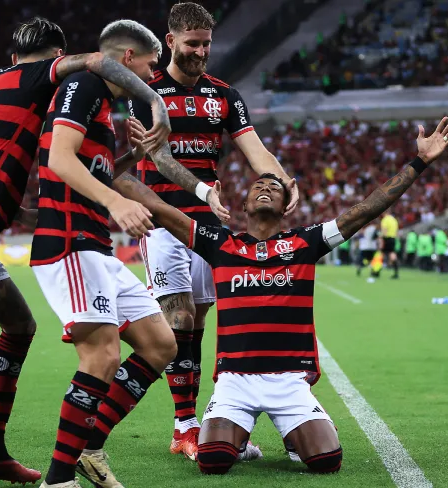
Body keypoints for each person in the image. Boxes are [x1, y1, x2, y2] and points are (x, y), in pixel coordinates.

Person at [0, 17, 172, 488]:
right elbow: (97, 62)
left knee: (19, 325)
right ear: (54, 58)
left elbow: (0, 154)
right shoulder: (37, 75)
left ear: (12, 55)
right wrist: (157, 103)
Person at [130, 117, 448, 475]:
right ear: (244, 206)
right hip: (235, 381)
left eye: (274, 186)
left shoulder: (305, 242)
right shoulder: (221, 244)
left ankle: (292, 430)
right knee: (212, 462)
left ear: (287, 203)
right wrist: (105, 167)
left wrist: (420, 162)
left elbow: (366, 209)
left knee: (327, 462)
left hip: (288, 381)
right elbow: (159, 209)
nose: (265, 188)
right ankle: (243, 434)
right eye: (258, 185)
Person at [28, 20, 227, 488]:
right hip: (69, 241)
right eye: (151, 64)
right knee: (101, 356)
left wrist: (131, 160)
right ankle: (59, 478)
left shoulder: (103, 109)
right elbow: (59, 158)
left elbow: (94, 169)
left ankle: (89, 448)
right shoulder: (84, 85)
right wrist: (116, 202)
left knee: (162, 345)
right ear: (129, 58)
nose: (152, 74)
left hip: (96, 246)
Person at [129, 2, 297, 458]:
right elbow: (158, 156)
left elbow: (255, 150)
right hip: (162, 217)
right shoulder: (145, 92)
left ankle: (190, 422)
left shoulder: (224, 95)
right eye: (192, 44)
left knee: (199, 322)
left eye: (206, 44)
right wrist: (202, 190)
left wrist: (284, 179)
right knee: (179, 318)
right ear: (170, 41)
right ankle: (185, 425)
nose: (201, 52)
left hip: (208, 226)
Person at [380, 211, 400, 278]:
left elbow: (384, 230)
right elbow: (397, 231)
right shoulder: (394, 220)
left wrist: (383, 240)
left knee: (381, 254)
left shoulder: (385, 219)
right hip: (393, 238)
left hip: (387, 238)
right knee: (392, 254)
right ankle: (396, 272)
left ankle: (376, 271)